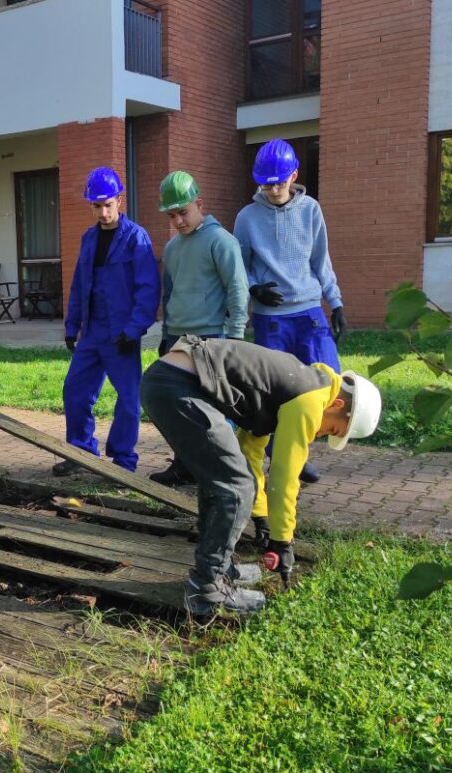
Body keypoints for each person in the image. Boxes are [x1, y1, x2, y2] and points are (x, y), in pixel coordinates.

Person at [140, 335, 381, 615]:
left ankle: (219, 568)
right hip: (178, 386)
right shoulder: (311, 400)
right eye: (332, 430)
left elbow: (250, 452)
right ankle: (207, 589)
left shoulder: (292, 386)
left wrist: (262, 517)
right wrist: (282, 540)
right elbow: (285, 476)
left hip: (170, 382)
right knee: (234, 486)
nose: (322, 434)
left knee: (224, 480)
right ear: (338, 406)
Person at [235, 138, 346, 486]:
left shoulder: (311, 210)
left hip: (309, 311)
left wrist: (336, 302)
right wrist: (253, 286)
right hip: (271, 317)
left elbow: (321, 261)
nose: (272, 189)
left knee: (324, 382)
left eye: (279, 182)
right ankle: (279, 456)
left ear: (293, 175)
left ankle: (300, 451)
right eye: (266, 184)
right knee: (274, 390)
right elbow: (240, 264)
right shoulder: (247, 217)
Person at [53, 167, 161, 476]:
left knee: (128, 398)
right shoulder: (88, 239)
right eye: (97, 206)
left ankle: (124, 460)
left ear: (120, 200)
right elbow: (78, 284)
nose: (103, 212)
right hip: (91, 331)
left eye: (108, 205)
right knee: (74, 391)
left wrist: (135, 329)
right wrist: (72, 326)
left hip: (121, 334)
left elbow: (148, 288)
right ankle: (81, 451)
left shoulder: (136, 238)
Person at [149, 170, 250, 486]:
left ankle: (226, 474)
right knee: (179, 407)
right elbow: (171, 292)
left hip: (211, 337)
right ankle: (184, 465)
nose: (178, 221)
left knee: (216, 410)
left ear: (199, 203)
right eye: (172, 215)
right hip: (178, 337)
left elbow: (237, 290)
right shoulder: (172, 248)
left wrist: (233, 338)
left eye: (183, 212)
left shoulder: (221, 241)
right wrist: (166, 336)